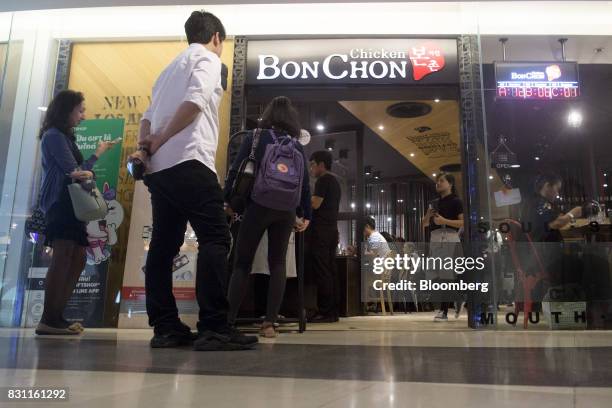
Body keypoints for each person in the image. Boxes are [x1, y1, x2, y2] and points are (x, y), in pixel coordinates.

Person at [131, 11, 257, 351]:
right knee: (216, 237)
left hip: (159, 171)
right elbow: (196, 102)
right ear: (216, 37)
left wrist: (147, 147)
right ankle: (214, 326)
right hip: (189, 160)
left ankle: (166, 327)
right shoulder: (207, 59)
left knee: (163, 246)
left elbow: (146, 118)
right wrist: (162, 139)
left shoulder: (168, 69)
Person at [224, 96, 311, 338]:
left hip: (257, 205)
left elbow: (237, 169)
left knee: (242, 262)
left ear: (269, 115)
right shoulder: (296, 145)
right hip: (286, 210)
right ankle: (270, 323)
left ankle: (228, 320)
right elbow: (304, 184)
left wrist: (228, 200)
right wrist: (305, 214)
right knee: (278, 263)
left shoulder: (255, 137)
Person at [37, 90, 117, 335]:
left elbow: (76, 170)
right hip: (61, 202)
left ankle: (56, 317)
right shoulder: (53, 136)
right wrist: (88, 170)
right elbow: (74, 171)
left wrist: (97, 155)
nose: (83, 116)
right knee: (64, 256)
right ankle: (49, 319)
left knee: (78, 257)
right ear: (67, 110)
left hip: (70, 203)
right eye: (80, 110)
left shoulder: (63, 137)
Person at [422, 172, 464, 322]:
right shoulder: (434, 202)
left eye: (441, 181)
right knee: (434, 275)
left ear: (450, 184)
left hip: (449, 239)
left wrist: (445, 220)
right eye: (437, 181)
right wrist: (427, 215)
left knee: (446, 276)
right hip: (435, 239)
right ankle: (457, 299)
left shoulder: (456, 201)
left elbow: (463, 223)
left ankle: (443, 310)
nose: (437, 183)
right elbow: (424, 224)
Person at [308, 150, 341, 323]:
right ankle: (333, 311)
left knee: (322, 271)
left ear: (321, 164)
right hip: (332, 230)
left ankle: (325, 312)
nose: (311, 168)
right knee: (330, 270)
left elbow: (315, 204)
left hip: (321, 231)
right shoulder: (335, 181)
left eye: (312, 164)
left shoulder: (323, 180)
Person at [523, 173, 582, 243]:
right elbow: (555, 223)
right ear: (547, 186)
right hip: (545, 249)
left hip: (540, 247)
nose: (557, 194)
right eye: (557, 189)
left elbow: (552, 219)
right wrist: (573, 213)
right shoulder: (541, 203)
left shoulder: (534, 201)